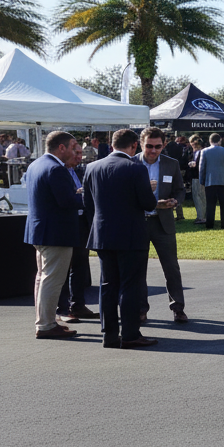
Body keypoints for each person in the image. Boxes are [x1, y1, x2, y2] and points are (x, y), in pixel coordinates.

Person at [83, 128, 159, 348]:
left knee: (107, 285)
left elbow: (88, 204)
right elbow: (148, 203)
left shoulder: (92, 167)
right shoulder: (136, 168)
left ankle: (108, 334)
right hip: (130, 235)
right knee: (130, 285)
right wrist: (150, 191)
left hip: (102, 234)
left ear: (111, 143)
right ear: (134, 145)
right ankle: (130, 333)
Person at [24, 131, 84, 340]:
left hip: (40, 230)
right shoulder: (56, 169)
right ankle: (47, 325)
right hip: (56, 232)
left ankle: (46, 320)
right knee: (51, 279)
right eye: (73, 145)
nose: (75, 149)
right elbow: (66, 201)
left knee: (42, 278)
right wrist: (84, 196)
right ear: (61, 147)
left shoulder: (36, 164)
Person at [136, 128, 188, 323]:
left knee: (171, 268)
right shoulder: (131, 164)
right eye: (149, 146)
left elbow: (180, 190)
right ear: (141, 144)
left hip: (163, 222)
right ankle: (141, 309)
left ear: (164, 145)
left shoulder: (171, 164)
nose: (153, 150)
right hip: (139, 222)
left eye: (158, 146)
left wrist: (175, 201)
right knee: (138, 269)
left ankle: (178, 308)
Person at [56, 135, 97, 324]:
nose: (79, 156)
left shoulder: (83, 171)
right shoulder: (58, 172)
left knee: (80, 266)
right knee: (64, 268)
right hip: (65, 225)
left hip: (82, 224)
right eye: (76, 152)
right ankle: (62, 308)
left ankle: (78, 305)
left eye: (81, 153)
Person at [199, 133, 224, 229]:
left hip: (210, 181)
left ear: (210, 141)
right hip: (223, 180)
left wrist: (202, 180)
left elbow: (202, 168)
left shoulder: (204, 151)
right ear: (220, 140)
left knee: (210, 204)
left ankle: (209, 224)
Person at [187, 136, 207, 224]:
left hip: (198, 176)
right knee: (202, 197)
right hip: (200, 177)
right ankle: (203, 215)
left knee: (198, 197)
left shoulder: (200, 152)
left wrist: (193, 165)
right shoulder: (200, 152)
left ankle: (201, 217)